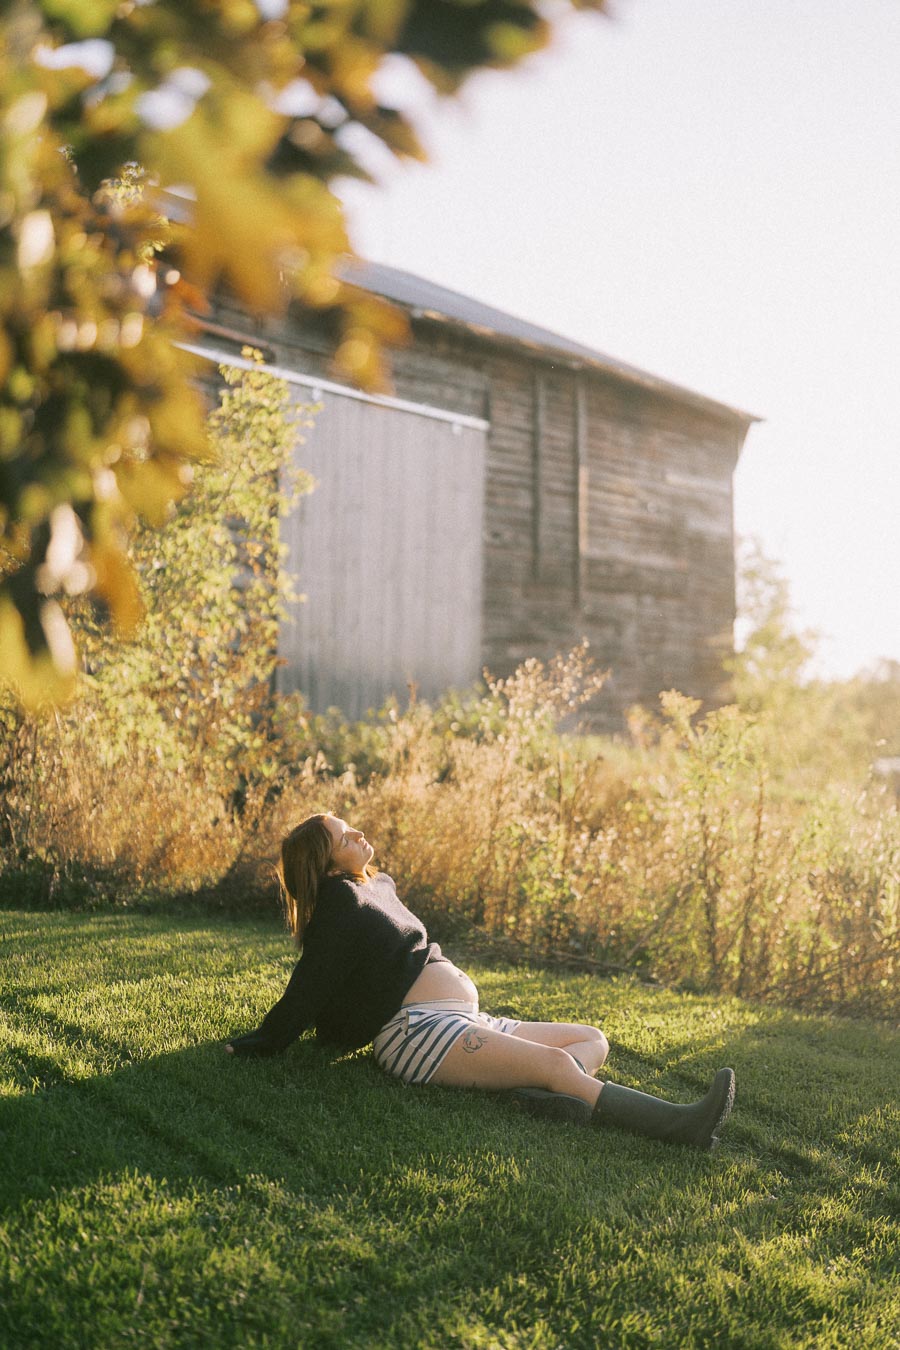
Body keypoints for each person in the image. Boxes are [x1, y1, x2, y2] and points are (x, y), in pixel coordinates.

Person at [226, 813, 735, 1149]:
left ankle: (533, 1096)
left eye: (350, 826)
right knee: (561, 1064)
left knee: (591, 1040)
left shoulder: (375, 886)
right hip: (417, 1033)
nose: (358, 834)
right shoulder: (339, 902)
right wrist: (262, 1042)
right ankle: (680, 1125)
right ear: (326, 862)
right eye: (343, 837)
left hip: (460, 1019)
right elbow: (310, 984)